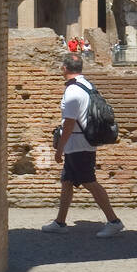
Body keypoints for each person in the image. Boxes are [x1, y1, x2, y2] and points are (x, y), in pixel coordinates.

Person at [41, 54, 124, 237]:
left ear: (64, 68)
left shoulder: (72, 91)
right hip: (84, 141)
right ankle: (60, 222)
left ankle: (114, 221)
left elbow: (69, 123)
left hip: (77, 144)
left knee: (89, 182)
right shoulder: (87, 84)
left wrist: (60, 148)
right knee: (67, 182)